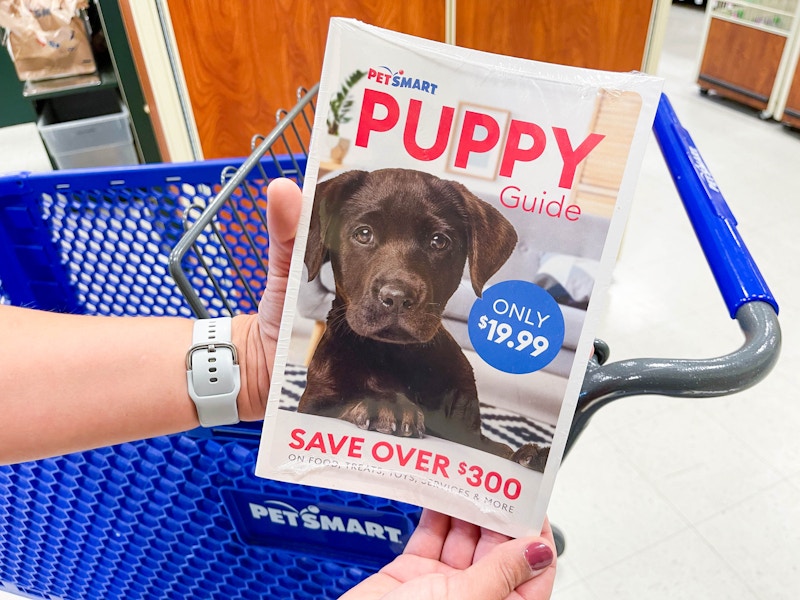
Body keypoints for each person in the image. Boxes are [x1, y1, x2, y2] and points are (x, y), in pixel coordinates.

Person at [0, 178, 555, 600]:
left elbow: (467, 450)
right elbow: (314, 414)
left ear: (471, 258)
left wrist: (508, 464)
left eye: (437, 241)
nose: (397, 281)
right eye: (363, 233)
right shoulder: (336, 363)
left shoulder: (455, 372)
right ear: (326, 244)